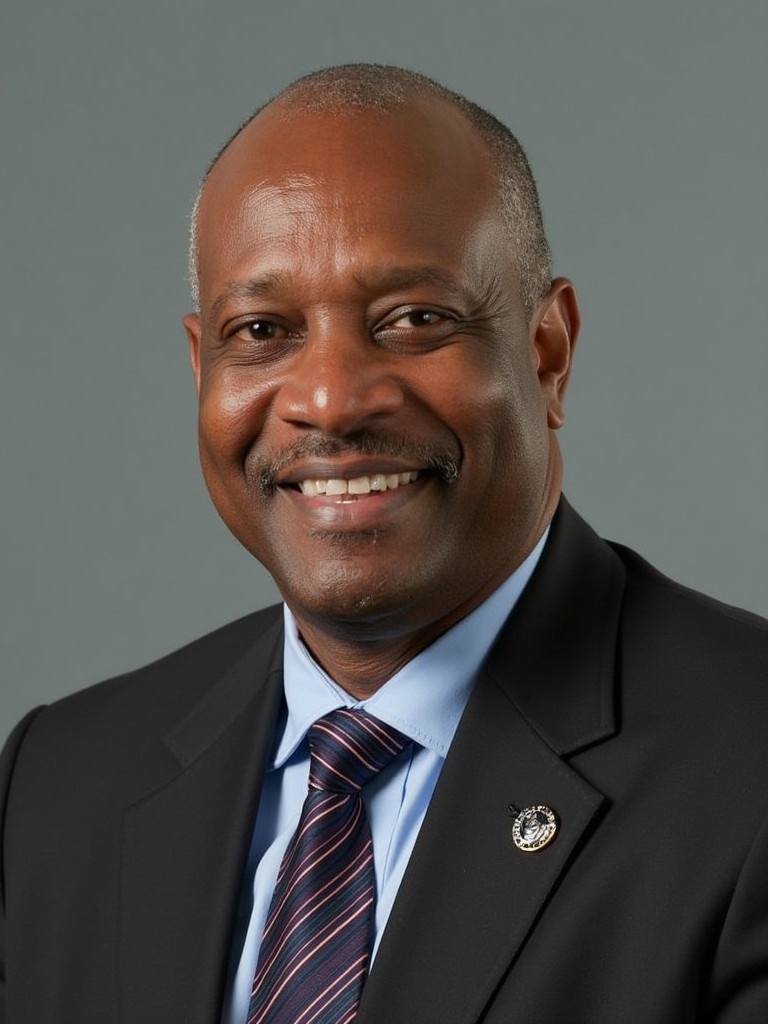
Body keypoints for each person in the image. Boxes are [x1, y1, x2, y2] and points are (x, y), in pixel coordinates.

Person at [1, 63, 767, 1024]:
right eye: (263, 329)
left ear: (547, 353)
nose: (328, 399)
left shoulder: (748, 769)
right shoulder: (58, 786)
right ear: (202, 368)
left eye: (414, 320)